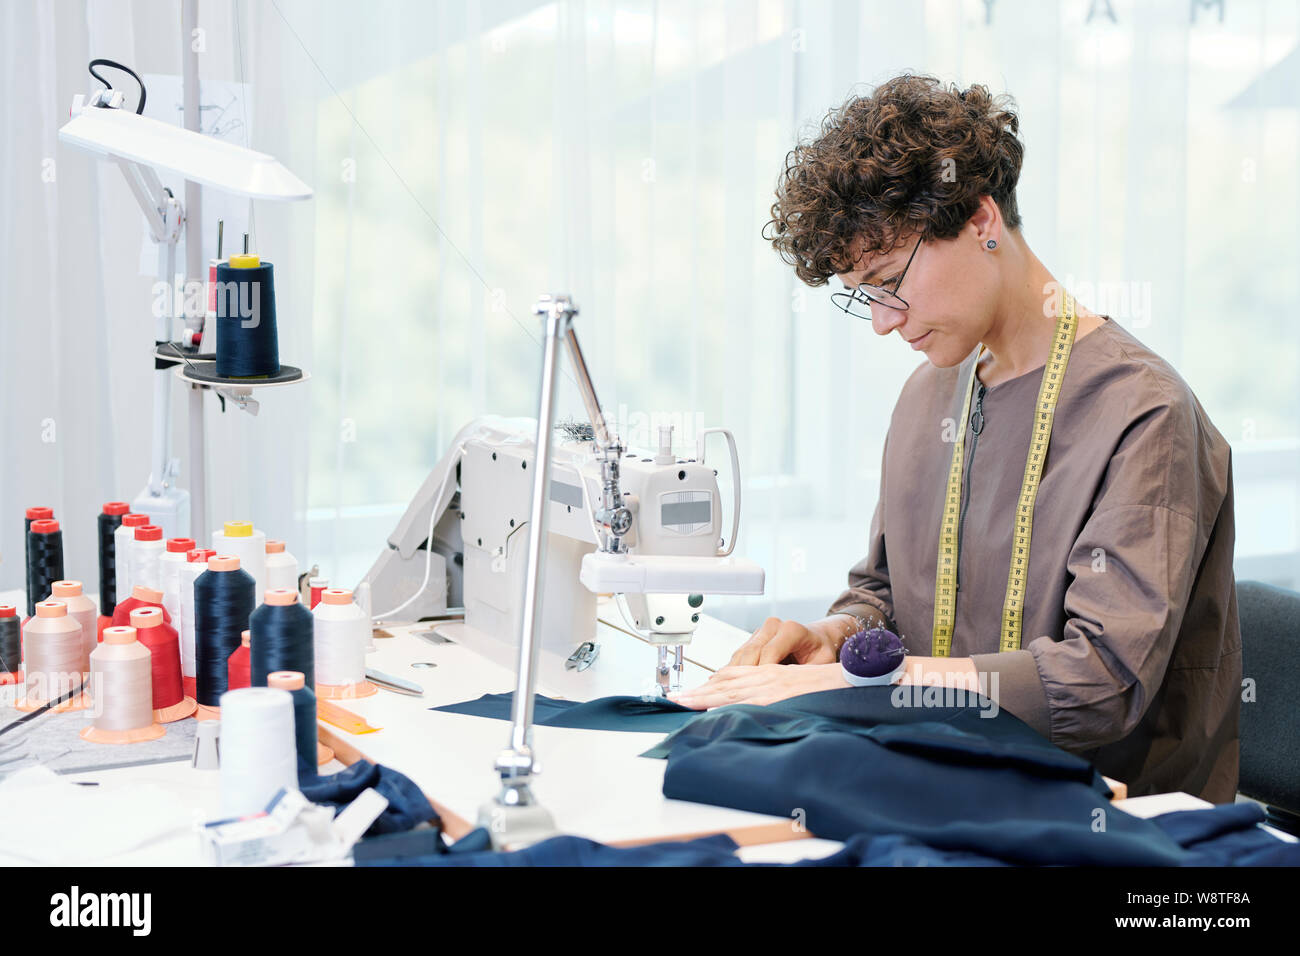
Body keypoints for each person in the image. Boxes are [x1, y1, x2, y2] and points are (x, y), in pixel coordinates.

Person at [670, 74, 1241, 803]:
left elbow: (1100, 684)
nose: (882, 321)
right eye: (863, 296)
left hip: (1114, 821)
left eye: (887, 280)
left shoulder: (1144, 415)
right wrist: (838, 639)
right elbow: (885, 593)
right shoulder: (931, 393)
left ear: (980, 221)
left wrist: (861, 691)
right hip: (942, 785)